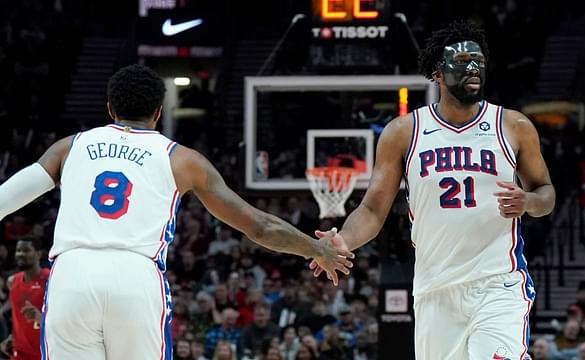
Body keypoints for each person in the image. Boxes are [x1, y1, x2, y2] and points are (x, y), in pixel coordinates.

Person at [0, 64, 354, 360]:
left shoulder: (69, 147)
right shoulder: (182, 159)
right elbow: (258, 226)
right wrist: (317, 249)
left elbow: (6, 198)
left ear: (109, 108)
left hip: (72, 274)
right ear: (158, 112)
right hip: (135, 275)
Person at [310, 21, 555, 359]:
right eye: (463, 60)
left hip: (498, 282)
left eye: (479, 61)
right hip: (434, 289)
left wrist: (528, 201)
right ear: (437, 72)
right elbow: (371, 210)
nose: (473, 68)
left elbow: (547, 194)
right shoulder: (403, 132)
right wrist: (344, 240)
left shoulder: (513, 126)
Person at [0, 238, 49, 360]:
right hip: (19, 354)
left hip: (44, 353)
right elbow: (18, 320)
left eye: (26, 250)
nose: (21, 254)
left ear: (38, 254)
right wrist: (12, 337)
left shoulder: (50, 280)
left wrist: (41, 318)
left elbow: (65, 319)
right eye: (18, 250)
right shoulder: (12, 282)